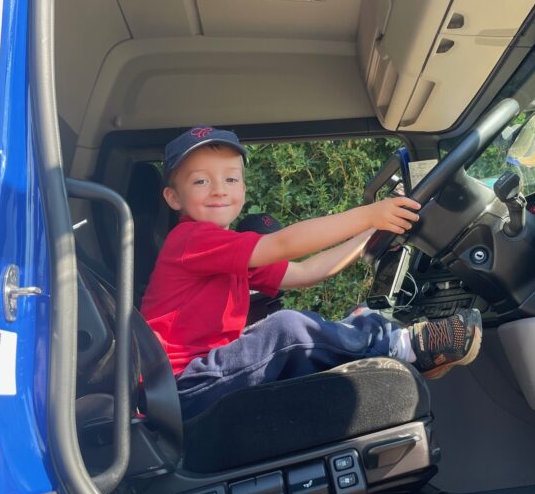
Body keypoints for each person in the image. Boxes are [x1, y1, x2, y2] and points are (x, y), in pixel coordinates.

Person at [141, 127, 483, 420]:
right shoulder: (189, 240)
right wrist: (367, 215)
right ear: (173, 197)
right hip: (179, 389)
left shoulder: (226, 251)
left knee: (325, 326)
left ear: (243, 190)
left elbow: (306, 271)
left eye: (230, 178)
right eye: (201, 181)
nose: (219, 189)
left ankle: (376, 337)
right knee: (285, 330)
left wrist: (374, 233)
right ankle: (405, 345)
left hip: (199, 380)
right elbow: (284, 244)